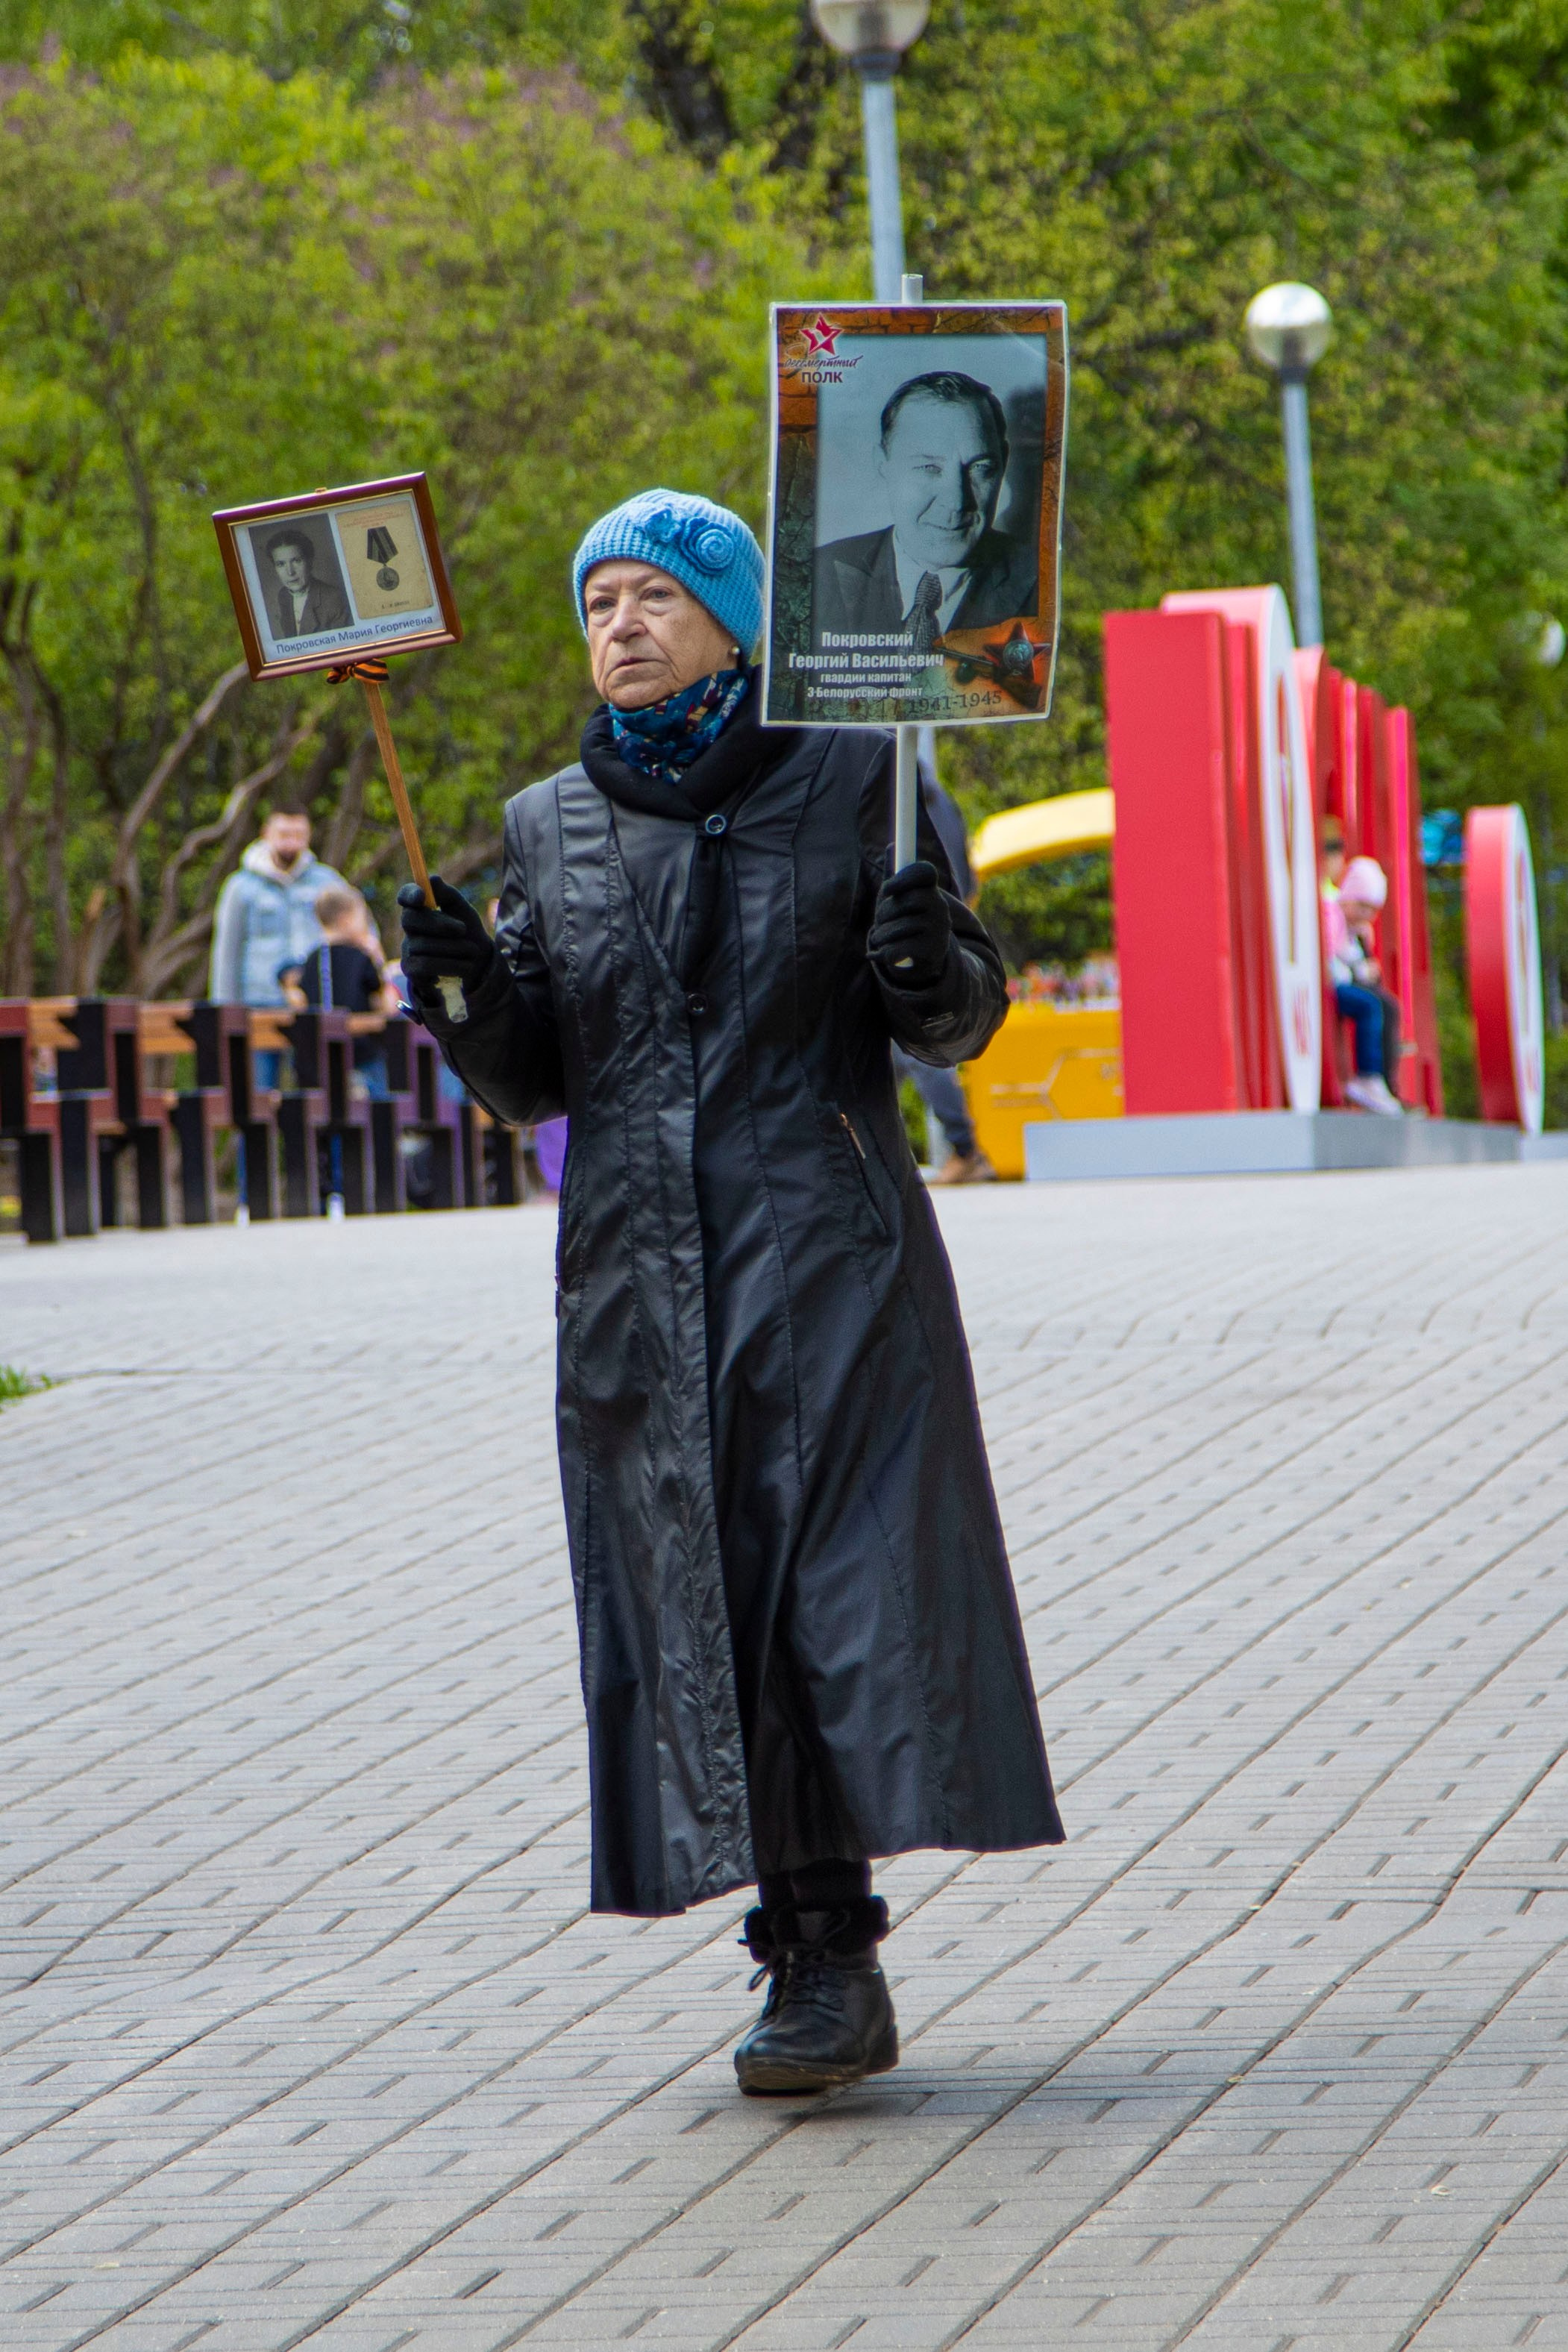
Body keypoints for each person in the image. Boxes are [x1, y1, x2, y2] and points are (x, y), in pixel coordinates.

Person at [400, 486, 1062, 2098]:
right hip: (635, 1269)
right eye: (594, 602)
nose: (618, 625)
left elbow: (952, 1023)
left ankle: (836, 1947)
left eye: (651, 597)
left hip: (828, 1253)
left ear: (738, 620)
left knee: (827, 1590)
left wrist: (925, 960)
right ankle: (802, 1954)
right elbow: (536, 1080)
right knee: (701, 1603)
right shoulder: (545, 821)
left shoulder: (864, 776)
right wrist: (469, 1000)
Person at [814, 372, 1038, 654]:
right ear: (883, 465)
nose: (957, 502)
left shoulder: (1040, 584)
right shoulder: (814, 575)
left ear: (1004, 463)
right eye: (929, 468)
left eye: (980, 468)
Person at [891, 738, 996, 1182]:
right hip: (950, 928)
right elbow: (969, 880)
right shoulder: (944, 804)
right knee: (890, 1056)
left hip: (919, 933)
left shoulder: (907, 805)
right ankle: (875, 1152)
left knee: (914, 1048)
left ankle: (966, 1149)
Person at [210, 811, 349, 1090]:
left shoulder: (326, 882)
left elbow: (356, 928)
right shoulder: (241, 887)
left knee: (321, 1096)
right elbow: (227, 953)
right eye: (284, 834)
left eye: (299, 835)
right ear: (266, 834)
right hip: (259, 1005)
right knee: (256, 1096)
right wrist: (225, 1011)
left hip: (314, 1005)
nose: (291, 843)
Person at [280, 885, 398, 1100]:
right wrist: (378, 958)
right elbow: (387, 1005)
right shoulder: (361, 959)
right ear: (346, 920)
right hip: (361, 1055)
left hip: (318, 1060)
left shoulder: (311, 960)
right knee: (375, 1116)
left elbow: (302, 1001)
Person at [1323, 851, 1402, 1114]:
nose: (1366, 915)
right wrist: (1358, 969)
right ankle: (1367, 1075)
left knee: (1386, 1005)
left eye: (1371, 910)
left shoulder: (1355, 927)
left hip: (1344, 979)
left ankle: (1383, 1081)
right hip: (1333, 983)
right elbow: (1331, 958)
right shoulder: (1332, 915)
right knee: (1370, 1005)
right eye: (1362, 907)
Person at [263, 525, 352, 640]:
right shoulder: (284, 595)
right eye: (281, 564)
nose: (290, 572)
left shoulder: (334, 599)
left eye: (296, 561)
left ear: (310, 561)